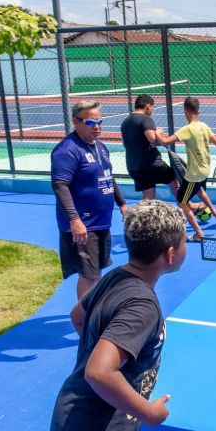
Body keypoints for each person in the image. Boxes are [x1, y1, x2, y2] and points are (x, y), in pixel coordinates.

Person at [48, 199, 186, 431]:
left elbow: (78, 317)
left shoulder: (115, 277)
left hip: (85, 428)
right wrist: (149, 413)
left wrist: (102, 347)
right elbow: (98, 372)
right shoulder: (142, 305)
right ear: (170, 254)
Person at [52, 101, 128, 299]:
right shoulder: (67, 150)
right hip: (83, 225)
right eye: (91, 122)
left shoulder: (101, 147)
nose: (97, 126)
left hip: (101, 222)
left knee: (97, 271)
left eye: (100, 121)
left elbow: (108, 176)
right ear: (76, 122)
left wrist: (122, 204)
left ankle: (92, 310)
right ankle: (85, 318)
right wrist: (74, 220)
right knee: (89, 275)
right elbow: (60, 185)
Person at [157, 96, 216, 242]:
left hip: (194, 174)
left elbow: (164, 142)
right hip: (205, 171)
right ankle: (215, 211)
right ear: (199, 110)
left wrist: (158, 133)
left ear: (186, 111)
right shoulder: (204, 126)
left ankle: (199, 234)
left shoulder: (187, 129)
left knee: (182, 201)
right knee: (199, 190)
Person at [120, 94, 178, 200]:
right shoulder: (146, 119)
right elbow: (154, 140)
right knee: (175, 184)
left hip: (134, 166)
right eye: (153, 107)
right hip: (152, 165)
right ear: (148, 106)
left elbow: (124, 143)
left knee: (148, 194)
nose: (152, 110)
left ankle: (140, 216)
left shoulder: (125, 122)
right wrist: (159, 133)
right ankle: (188, 208)